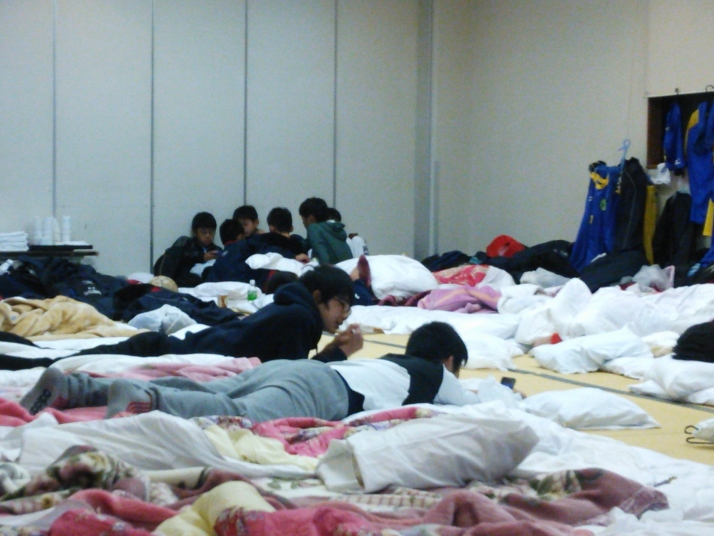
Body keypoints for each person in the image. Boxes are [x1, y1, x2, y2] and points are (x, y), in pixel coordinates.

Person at [21, 322, 480, 422]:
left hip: (293, 369)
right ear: (448, 361)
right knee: (235, 413)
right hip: (323, 388)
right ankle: (147, 401)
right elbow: (484, 409)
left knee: (206, 388)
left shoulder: (387, 364)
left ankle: (75, 387)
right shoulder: (436, 374)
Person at [206, 207, 308, 288]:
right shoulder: (298, 242)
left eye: (245, 224)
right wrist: (293, 257)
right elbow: (269, 252)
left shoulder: (223, 255)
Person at [153, 212, 222, 287]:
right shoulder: (186, 243)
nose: (208, 235)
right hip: (181, 276)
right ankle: (163, 283)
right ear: (195, 232)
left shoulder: (216, 249)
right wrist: (202, 257)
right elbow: (172, 257)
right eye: (203, 232)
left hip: (201, 280)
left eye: (211, 232)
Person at [299, 197, 352, 265]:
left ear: (311, 218)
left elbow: (323, 257)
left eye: (304, 221)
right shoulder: (334, 229)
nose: (304, 225)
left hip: (332, 270)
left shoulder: (313, 228)